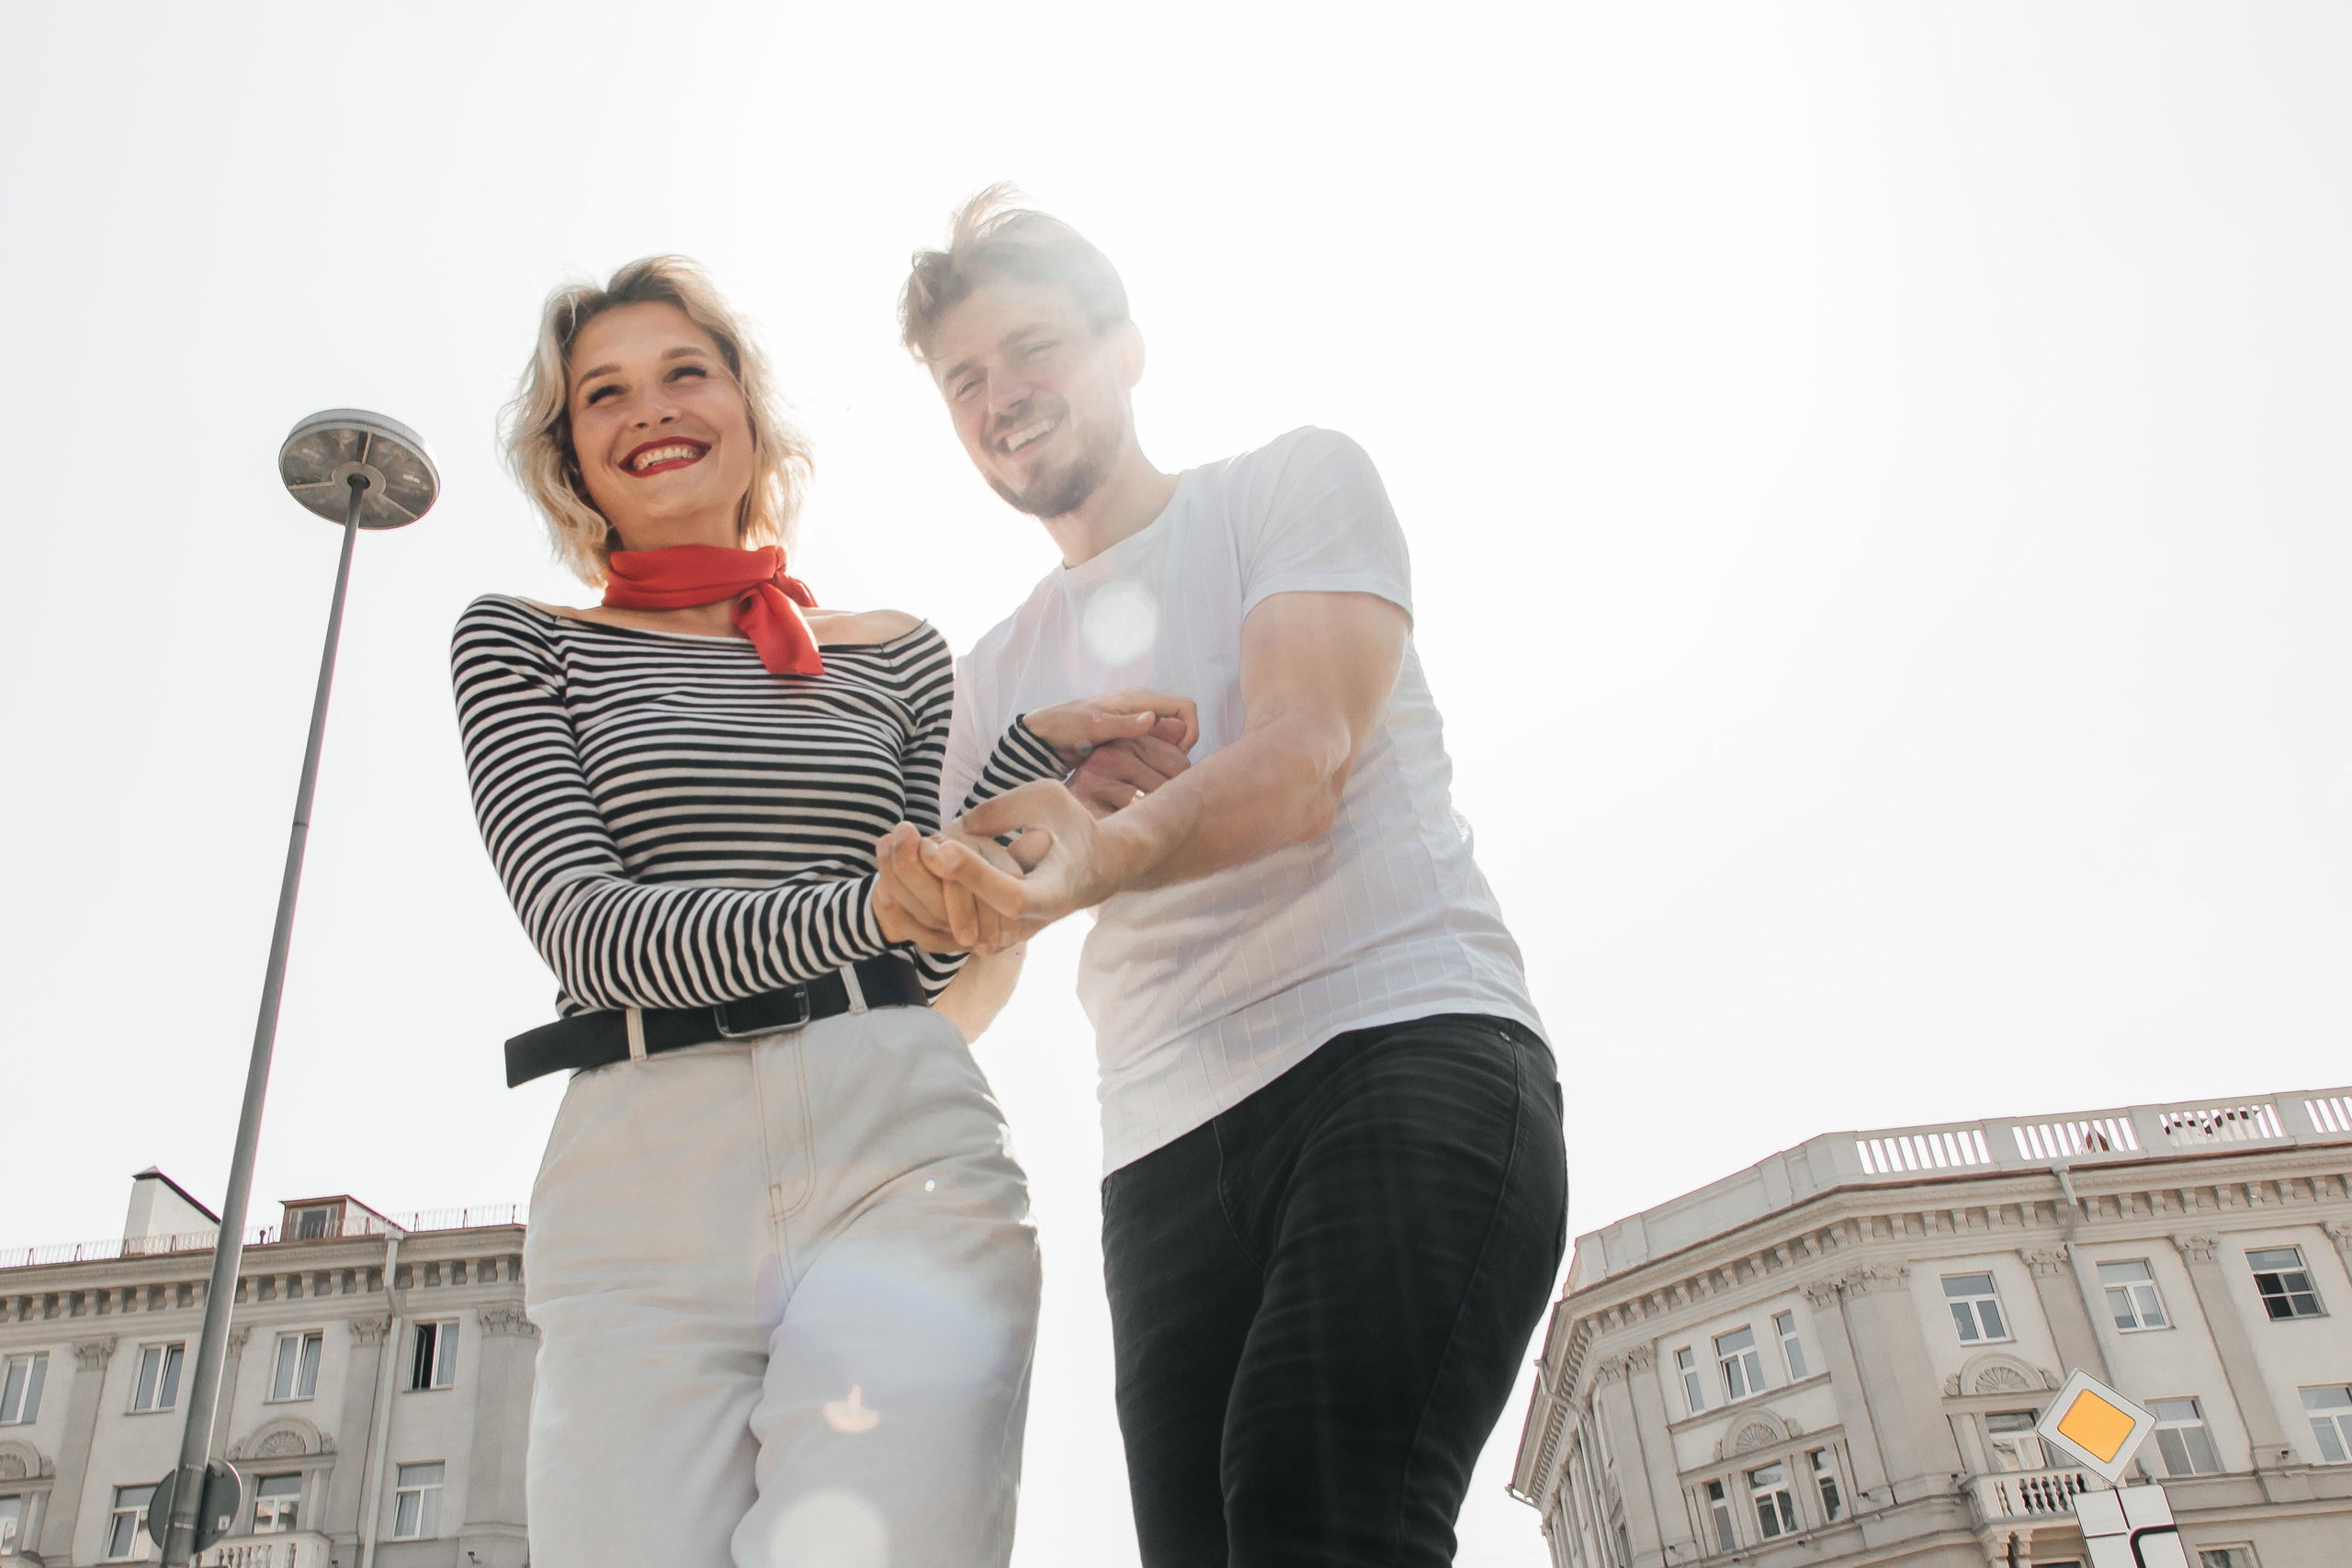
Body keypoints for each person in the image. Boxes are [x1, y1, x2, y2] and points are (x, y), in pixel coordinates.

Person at [876, 189, 1572, 1568]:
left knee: (1312, 1506)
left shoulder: (1289, 488)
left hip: (1396, 1047)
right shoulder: (983, 685)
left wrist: (1099, 847)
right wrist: (938, 919)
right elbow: (960, 992)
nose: (1002, 396)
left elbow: (1304, 758)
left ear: (1126, 346)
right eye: (966, 380)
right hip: (1161, 1156)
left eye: (1031, 349)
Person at [451, 256, 1061, 1567]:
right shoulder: (520, 641)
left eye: (686, 370)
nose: (649, 407)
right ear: (569, 455)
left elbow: (934, 926)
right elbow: (591, 930)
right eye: (600, 393)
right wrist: (872, 910)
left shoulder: (894, 648)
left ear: (744, 404)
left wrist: (1038, 771)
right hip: (641, 1163)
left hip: (898, 1136)